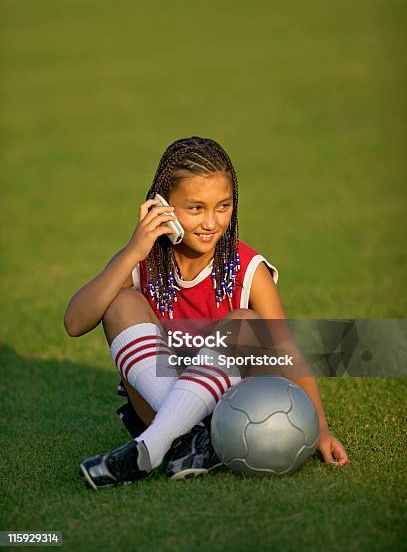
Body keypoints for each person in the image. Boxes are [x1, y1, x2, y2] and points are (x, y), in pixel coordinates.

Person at [64, 136, 349, 490]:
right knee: (120, 302)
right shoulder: (142, 261)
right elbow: (75, 323)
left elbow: (287, 352)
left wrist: (319, 425)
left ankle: (153, 446)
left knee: (244, 325)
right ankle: (188, 437)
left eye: (223, 206)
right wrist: (131, 252)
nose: (211, 222)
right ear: (162, 206)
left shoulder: (248, 270)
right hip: (158, 406)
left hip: (234, 415)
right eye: (196, 208)